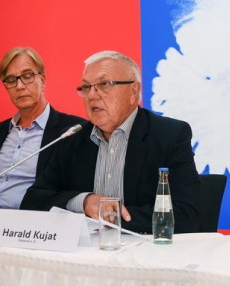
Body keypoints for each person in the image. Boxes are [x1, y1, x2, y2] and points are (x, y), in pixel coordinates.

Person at [21, 50, 201, 234]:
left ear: (133, 91)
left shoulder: (169, 136)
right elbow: (33, 201)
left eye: (104, 84)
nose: (91, 95)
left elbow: (189, 215)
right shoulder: (71, 138)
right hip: (84, 253)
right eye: (86, 87)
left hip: (143, 251)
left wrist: (112, 218)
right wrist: (83, 201)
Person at [0, 47, 85, 208]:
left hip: (24, 224)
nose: (20, 86)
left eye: (27, 76)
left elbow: (66, 191)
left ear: (42, 80)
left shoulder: (70, 130)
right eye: (11, 80)